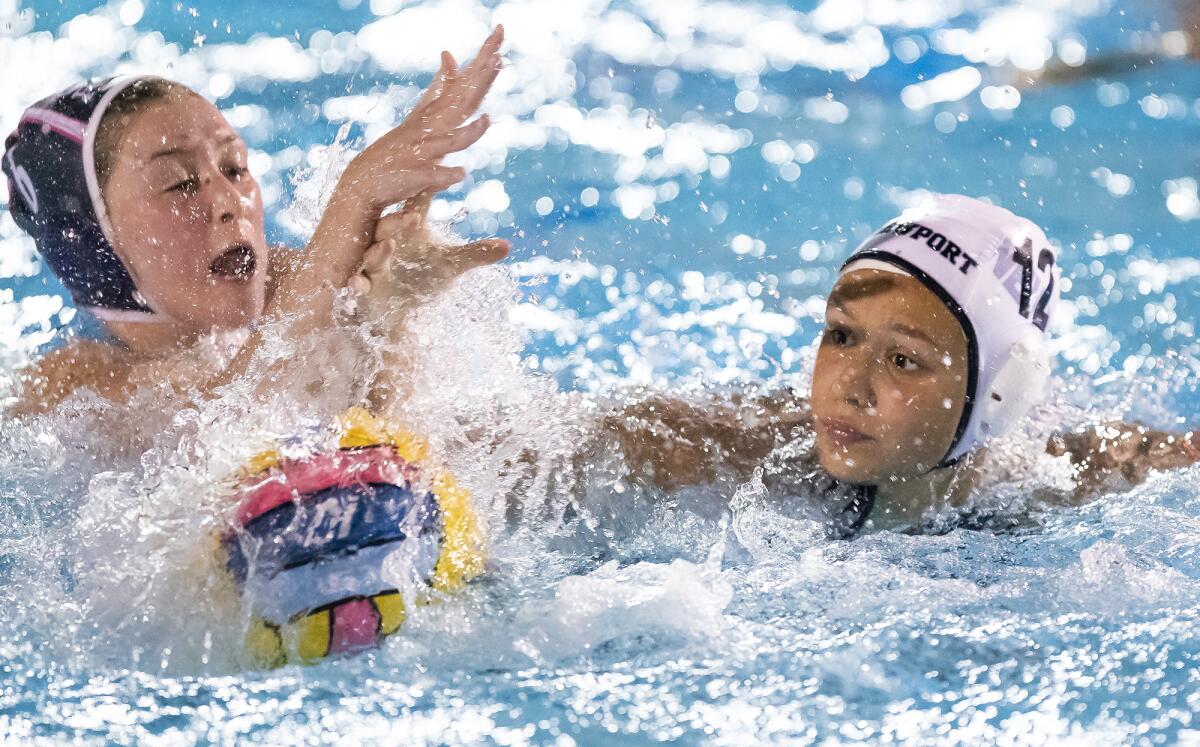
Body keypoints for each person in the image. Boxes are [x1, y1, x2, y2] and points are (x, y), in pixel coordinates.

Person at [598, 195, 1200, 536]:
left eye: (904, 360)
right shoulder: (739, 450)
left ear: (999, 392)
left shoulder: (1061, 480)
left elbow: (1156, 460)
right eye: (840, 335)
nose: (849, 386)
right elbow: (547, 448)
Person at [2, 27, 508, 415]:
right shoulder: (72, 387)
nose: (229, 201)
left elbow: (374, 429)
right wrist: (355, 197)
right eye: (179, 182)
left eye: (234, 167)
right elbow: (224, 420)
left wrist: (395, 309)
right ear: (100, 246)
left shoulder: (287, 284)